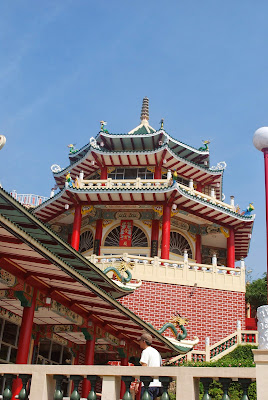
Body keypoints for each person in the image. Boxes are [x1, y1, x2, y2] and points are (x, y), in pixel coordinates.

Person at [138, 333, 162, 400]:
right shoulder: (156, 352)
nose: (139, 343)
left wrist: (138, 381)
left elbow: (144, 366)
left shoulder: (146, 351)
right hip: (157, 384)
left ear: (144, 341)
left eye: (140, 341)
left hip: (148, 384)